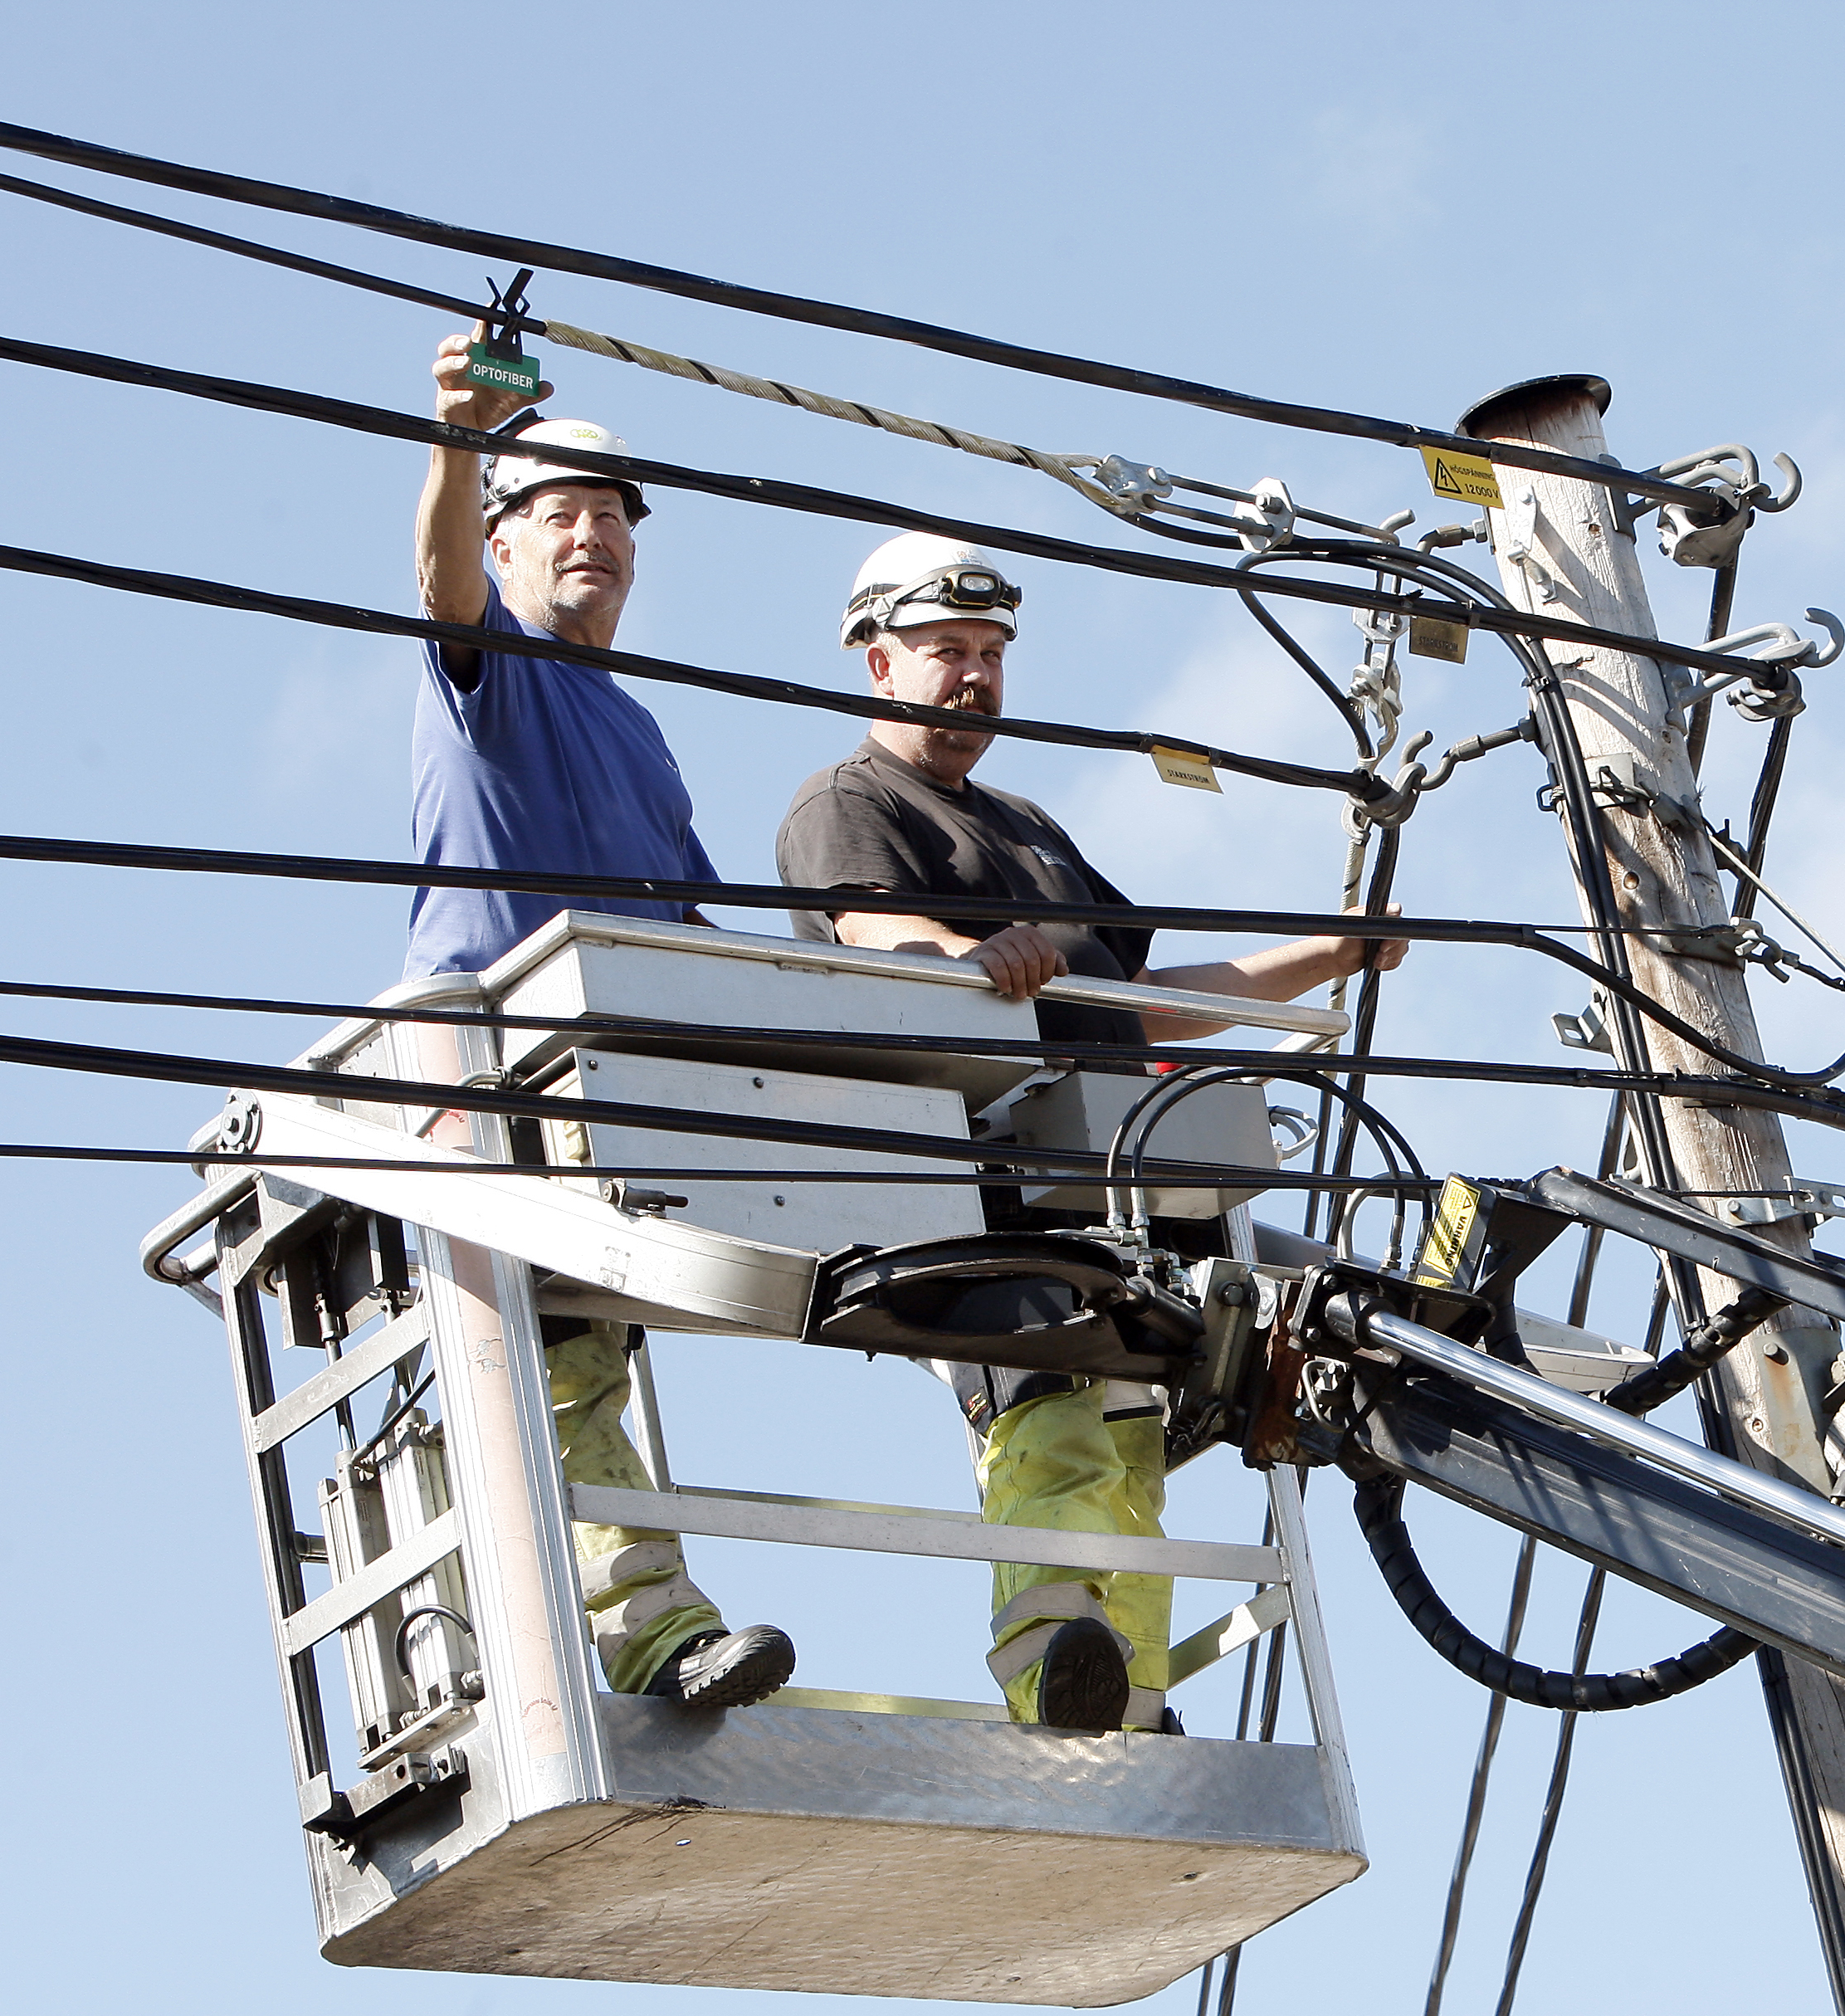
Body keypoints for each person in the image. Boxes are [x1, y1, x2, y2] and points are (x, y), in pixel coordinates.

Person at [775, 533, 1403, 1730]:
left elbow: (1142, 997)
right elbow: (871, 932)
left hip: (1111, 1185)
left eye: (992, 654)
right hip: (985, 1193)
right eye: (947, 651)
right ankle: (1055, 1674)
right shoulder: (848, 801)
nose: (974, 676)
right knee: (1047, 1410)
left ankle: (1137, 1704)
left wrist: (1329, 953)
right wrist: (968, 957)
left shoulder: (1026, 822)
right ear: (877, 664)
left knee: (1127, 1453)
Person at [409, 327, 794, 1711]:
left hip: (612, 1094)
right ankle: (651, 1636)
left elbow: (693, 940)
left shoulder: (638, 732)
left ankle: (577, 1628)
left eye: (615, 518)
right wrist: (458, 434)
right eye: (560, 512)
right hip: (499, 1085)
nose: (594, 537)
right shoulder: (491, 659)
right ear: (508, 544)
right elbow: (437, 579)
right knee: (559, 1374)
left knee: (580, 1370)